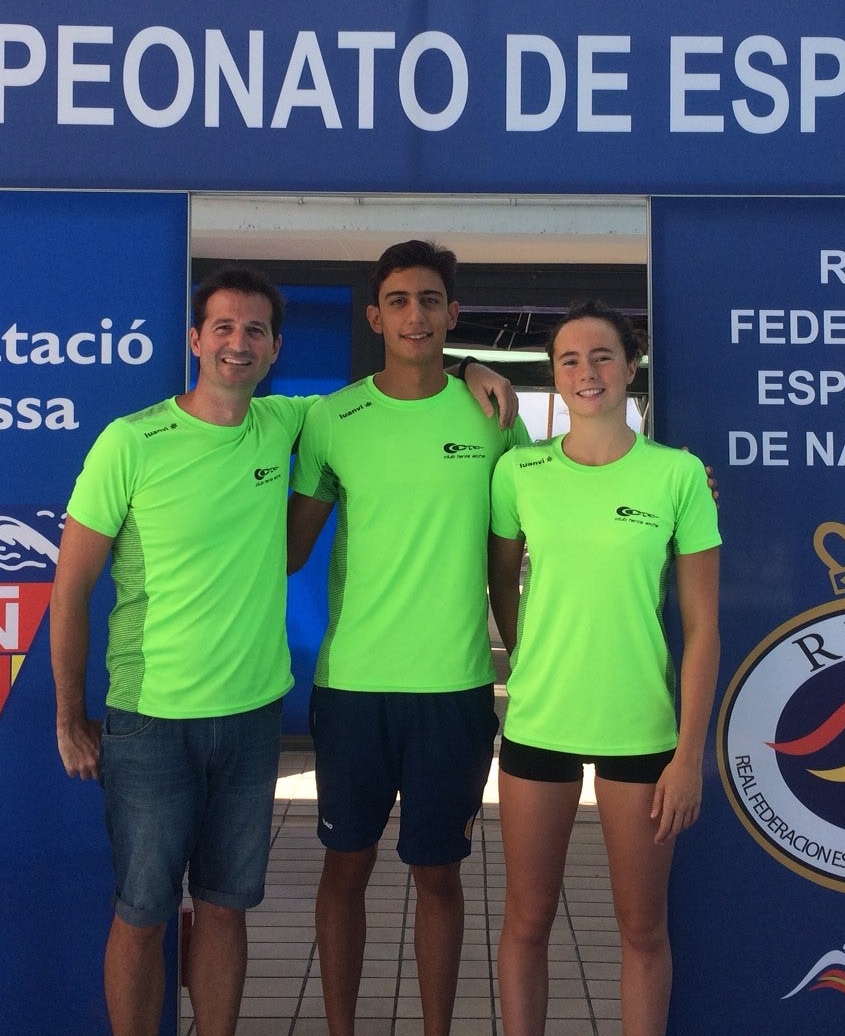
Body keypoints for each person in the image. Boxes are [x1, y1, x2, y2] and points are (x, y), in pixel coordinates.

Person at [51, 265, 513, 1036]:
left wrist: (470, 365)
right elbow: (69, 590)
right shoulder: (129, 442)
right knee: (143, 914)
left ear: (274, 351)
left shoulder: (295, 421)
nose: (239, 343)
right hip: (150, 719)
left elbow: (405, 391)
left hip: (252, 716)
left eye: (255, 331)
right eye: (223, 328)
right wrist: (70, 714)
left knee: (229, 910)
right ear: (196, 340)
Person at [287, 240, 529, 1036]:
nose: (414, 315)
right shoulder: (331, 418)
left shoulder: (494, 415)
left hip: (453, 688)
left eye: (430, 300)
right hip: (353, 686)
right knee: (344, 870)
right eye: (398, 301)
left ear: (452, 315)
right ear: (374, 316)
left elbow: (542, 525)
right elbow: (288, 546)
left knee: (439, 876)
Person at [486, 301, 721, 1036]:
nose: (587, 372)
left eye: (602, 356)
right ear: (554, 378)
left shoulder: (677, 475)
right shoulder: (518, 471)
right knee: (526, 921)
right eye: (569, 360)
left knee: (642, 929)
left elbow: (704, 626)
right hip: (538, 722)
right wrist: (536, 657)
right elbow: (500, 585)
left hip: (640, 730)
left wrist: (688, 755)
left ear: (630, 367)